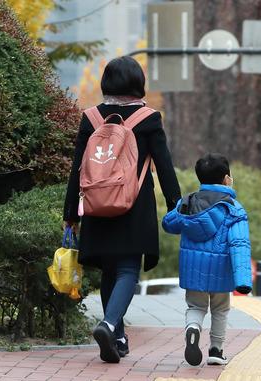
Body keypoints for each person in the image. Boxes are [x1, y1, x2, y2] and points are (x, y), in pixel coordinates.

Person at [63, 56, 181, 363]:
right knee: (128, 269)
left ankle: (116, 338)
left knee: (109, 271)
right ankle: (110, 324)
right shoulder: (148, 119)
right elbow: (164, 165)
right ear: (137, 83)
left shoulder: (90, 117)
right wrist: (175, 204)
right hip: (133, 204)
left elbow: (78, 169)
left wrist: (71, 216)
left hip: (95, 204)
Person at [162, 153, 252, 366]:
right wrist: (243, 281)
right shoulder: (233, 208)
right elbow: (239, 244)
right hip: (221, 272)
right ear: (227, 179)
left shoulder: (188, 202)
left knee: (196, 306)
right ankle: (216, 350)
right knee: (220, 309)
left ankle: (192, 328)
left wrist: (178, 210)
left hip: (193, 270)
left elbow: (169, 224)